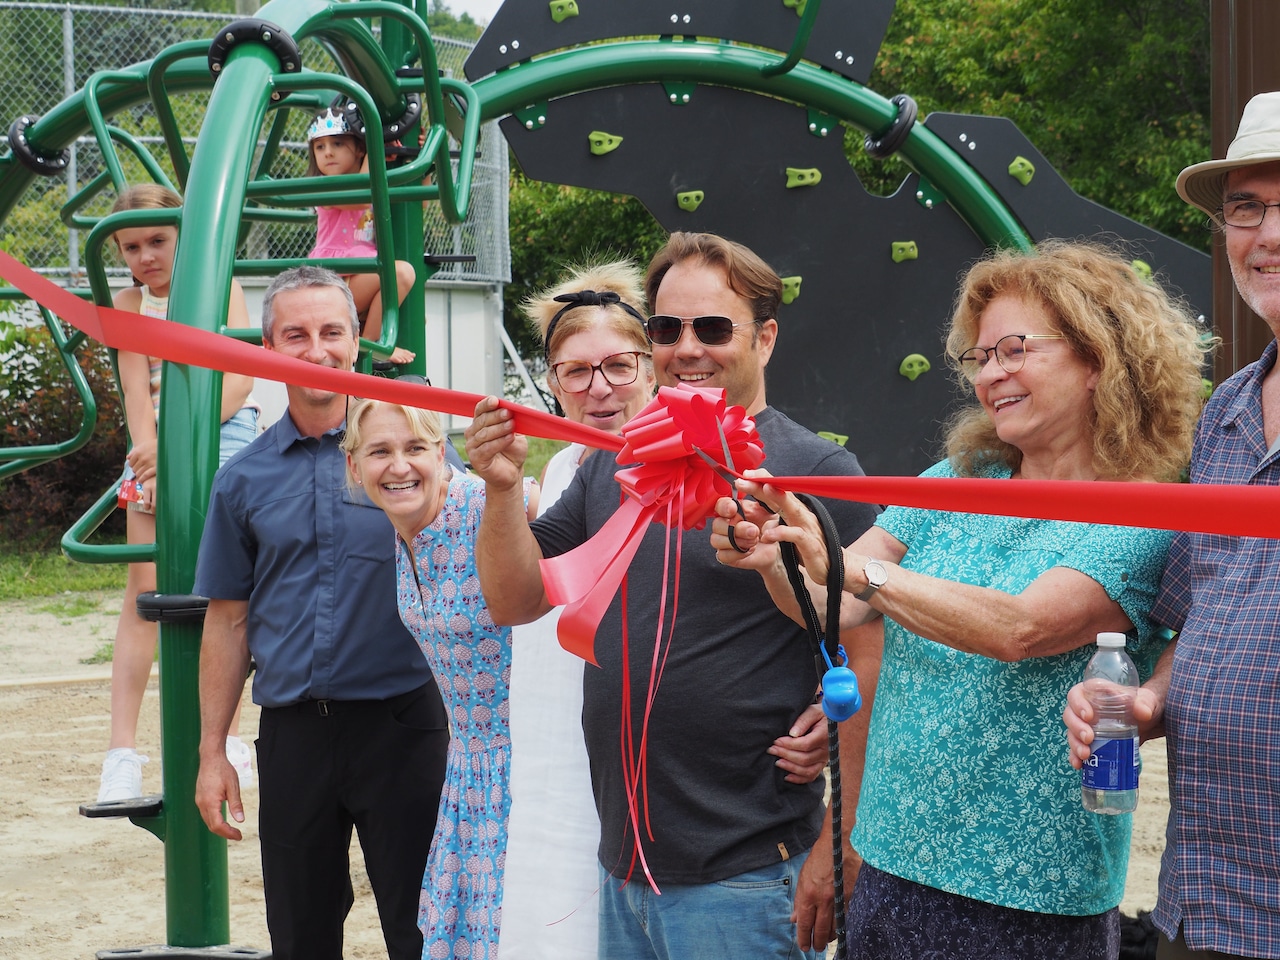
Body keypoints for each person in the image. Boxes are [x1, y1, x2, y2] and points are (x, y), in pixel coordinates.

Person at [714, 240, 1209, 960]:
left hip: (1027, 894)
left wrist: (850, 571)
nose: (992, 374)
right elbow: (838, 607)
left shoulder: (1141, 512)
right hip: (891, 855)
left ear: (1099, 356)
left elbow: (1020, 627)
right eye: (981, 358)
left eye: (1015, 349)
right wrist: (772, 556)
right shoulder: (963, 472)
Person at [465, 232, 881, 960]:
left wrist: (838, 841)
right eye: (666, 328)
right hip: (625, 869)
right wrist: (502, 490)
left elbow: (872, 640)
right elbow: (514, 599)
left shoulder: (816, 468)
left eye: (714, 328)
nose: (688, 348)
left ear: (766, 337)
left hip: (747, 873)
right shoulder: (616, 464)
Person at [1065, 90, 1280, 960]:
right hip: (1207, 904)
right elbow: (1204, 611)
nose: (1267, 235)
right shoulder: (1226, 410)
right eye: (1246, 209)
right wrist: (1146, 699)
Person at [192, 265, 449, 960]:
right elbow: (229, 620)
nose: (316, 350)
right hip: (295, 736)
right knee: (301, 933)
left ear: (354, 342)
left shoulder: (412, 460)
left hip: (404, 725)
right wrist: (213, 750)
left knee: (422, 928)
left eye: (333, 331)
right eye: (295, 335)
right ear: (268, 346)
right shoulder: (243, 479)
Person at [340, 396, 535, 960]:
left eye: (416, 449)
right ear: (356, 466)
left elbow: (557, 527)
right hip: (469, 772)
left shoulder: (483, 505)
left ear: (442, 454)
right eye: (380, 451)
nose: (399, 466)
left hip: (523, 768)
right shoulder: (407, 529)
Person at [97, 183, 259, 803]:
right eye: (131, 246)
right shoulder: (129, 303)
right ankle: (122, 753)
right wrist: (153, 462)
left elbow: (240, 382)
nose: (145, 256)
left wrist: (181, 450)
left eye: (158, 240)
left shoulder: (222, 291)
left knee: (229, 590)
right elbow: (137, 395)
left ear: (183, 239)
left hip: (222, 432)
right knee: (144, 593)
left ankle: (232, 738)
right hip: (158, 445)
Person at [306, 106, 416, 365]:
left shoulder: (369, 178)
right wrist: (376, 152)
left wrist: (414, 155)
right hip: (335, 279)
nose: (328, 152)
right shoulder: (324, 187)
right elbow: (359, 198)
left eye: (337, 143)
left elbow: (417, 205)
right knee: (400, 273)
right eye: (319, 147)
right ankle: (370, 347)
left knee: (412, 305)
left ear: (358, 148)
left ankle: (365, 345)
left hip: (360, 273)